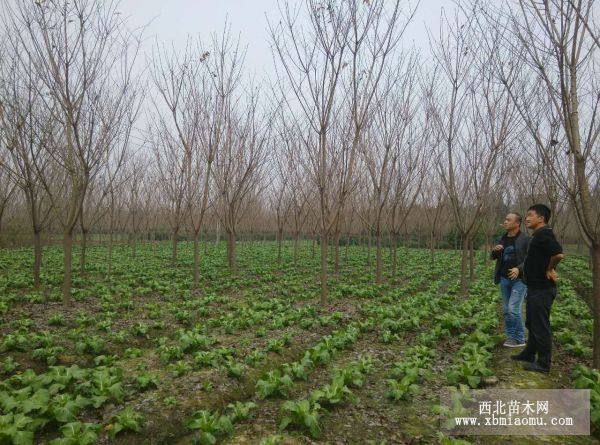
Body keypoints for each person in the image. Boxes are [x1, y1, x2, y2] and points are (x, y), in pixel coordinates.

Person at [511, 204, 564, 374]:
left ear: (541, 218)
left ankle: (543, 363)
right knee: (532, 323)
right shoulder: (537, 235)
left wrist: (550, 268)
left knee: (540, 326)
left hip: (542, 289)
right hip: (534, 288)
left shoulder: (544, 234)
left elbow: (558, 253)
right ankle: (529, 354)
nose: (526, 218)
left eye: (530, 215)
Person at [491, 212, 530, 348]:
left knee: (514, 309)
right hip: (504, 279)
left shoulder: (525, 239)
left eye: (508, 219)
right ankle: (511, 336)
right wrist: (495, 250)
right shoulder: (502, 238)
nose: (505, 221)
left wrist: (519, 268)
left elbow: (531, 259)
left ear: (517, 223)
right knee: (507, 309)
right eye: (505, 219)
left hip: (520, 280)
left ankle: (520, 338)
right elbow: (494, 257)